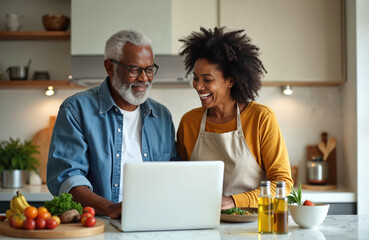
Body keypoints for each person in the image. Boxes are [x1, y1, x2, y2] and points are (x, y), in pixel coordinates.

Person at [47, 30, 178, 218]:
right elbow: (67, 177)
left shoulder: (162, 116)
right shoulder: (76, 109)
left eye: (149, 69)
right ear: (109, 68)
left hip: (153, 221)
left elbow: (173, 173)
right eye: (134, 69)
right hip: (96, 224)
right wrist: (111, 209)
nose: (144, 78)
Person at [177, 27, 293, 209]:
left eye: (207, 79)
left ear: (230, 81)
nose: (198, 86)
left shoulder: (261, 118)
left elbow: (283, 184)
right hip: (202, 220)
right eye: (196, 78)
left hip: (254, 223)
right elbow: (180, 179)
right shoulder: (189, 122)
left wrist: (233, 202)